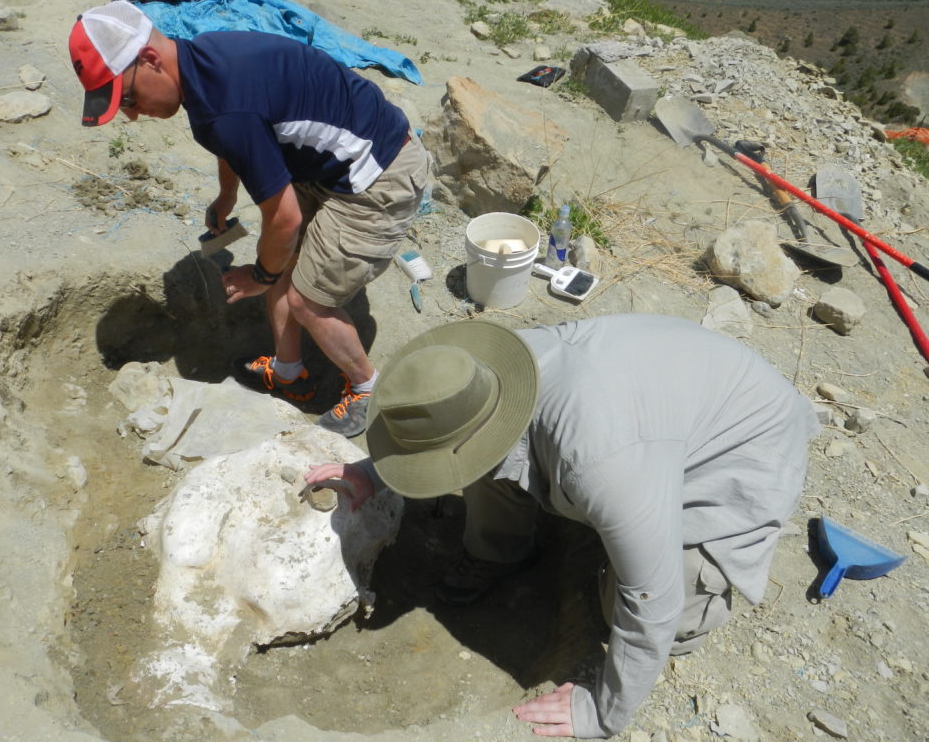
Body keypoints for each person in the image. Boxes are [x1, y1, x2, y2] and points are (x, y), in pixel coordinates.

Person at [304, 314, 819, 739]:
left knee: (641, 610)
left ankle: (652, 561)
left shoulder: (601, 460)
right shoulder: (482, 378)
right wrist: (372, 471)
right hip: (660, 414)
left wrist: (604, 713)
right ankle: (500, 551)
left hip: (744, 443)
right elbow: (436, 428)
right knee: (485, 464)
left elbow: (653, 603)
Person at [68, 1, 431, 437]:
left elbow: (285, 219)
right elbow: (235, 143)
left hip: (378, 173)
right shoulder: (202, 63)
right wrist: (227, 195)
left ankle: (370, 390)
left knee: (304, 296)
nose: (129, 114)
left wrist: (261, 274)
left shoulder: (223, 107)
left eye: (126, 98)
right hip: (332, 160)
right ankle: (289, 371)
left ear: (150, 61)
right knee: (282, 262)